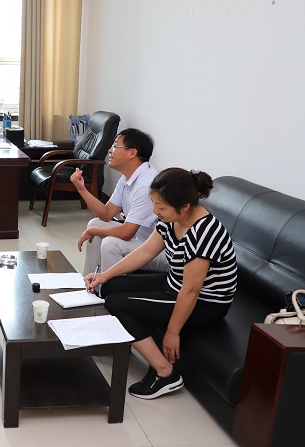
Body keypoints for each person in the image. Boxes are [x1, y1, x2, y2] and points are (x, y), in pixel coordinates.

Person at [85, 168, 237, 400]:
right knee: (109, 287)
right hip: (175, 283)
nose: (156, 211)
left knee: (116, 304)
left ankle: (166, 373)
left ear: (185, 206)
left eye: (161, 207)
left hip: (206, 302)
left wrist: (173, 332)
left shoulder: (204, 232)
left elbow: (191, 290)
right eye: (154, 204)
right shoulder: (172, 219)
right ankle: (132, 337)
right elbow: (146, 251)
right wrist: (105, 275)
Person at [70, 128, 168, 278]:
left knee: (110, 244)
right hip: (140, 241)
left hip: (159, 251)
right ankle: (88, 282)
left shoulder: (146, 185)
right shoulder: (127, 177)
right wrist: (81, 189)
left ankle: (109, 288)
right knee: (95, 223)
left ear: (132, 153)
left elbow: (126, 233)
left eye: (115, 146)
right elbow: (106, 213)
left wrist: (94, 231)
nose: (110, 150)